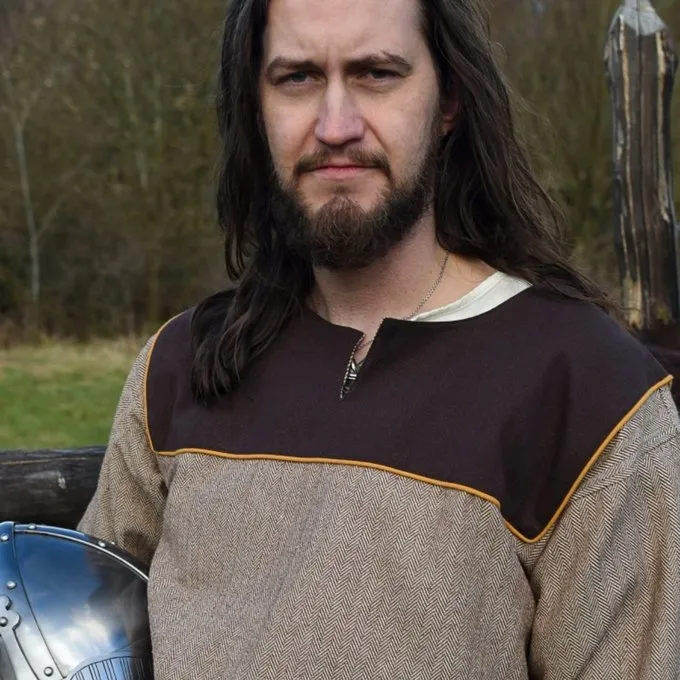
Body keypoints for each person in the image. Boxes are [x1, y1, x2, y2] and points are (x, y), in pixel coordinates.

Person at [78, 0, 680, 677]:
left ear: (448, 101)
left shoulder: (587, 392)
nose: (335, 126)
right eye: (298, 78)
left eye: (377, 74)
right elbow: (80, 642)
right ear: (255, 106)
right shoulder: (179, 368)